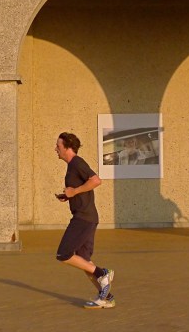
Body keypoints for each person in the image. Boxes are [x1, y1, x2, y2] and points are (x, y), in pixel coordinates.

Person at [54, 132, 116, 309]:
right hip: (85, 217)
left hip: (83, 218)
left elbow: (96, 180)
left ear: (67, 147)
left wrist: (73, 192)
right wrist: (69, 196)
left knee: (63, 254)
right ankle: (107, 297)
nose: (55, 149)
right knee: (84, 261)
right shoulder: (71, 166)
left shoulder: (77, 163)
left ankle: (103, 272)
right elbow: (81, 189)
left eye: (58, 146)